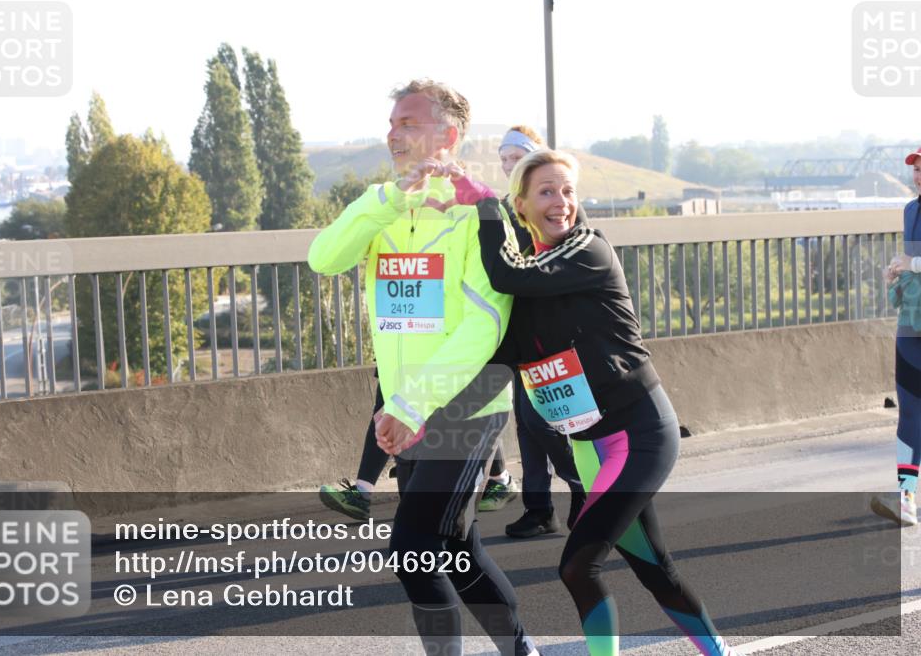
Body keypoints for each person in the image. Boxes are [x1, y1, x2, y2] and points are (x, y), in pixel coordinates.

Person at [472, 149, 738, 654]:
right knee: (655, 570)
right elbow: (498, 351)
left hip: (641, 432)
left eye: (568, 190)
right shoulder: (527, 290)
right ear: (523, 205)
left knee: (578, 565)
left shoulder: (589, 248)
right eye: (547, 191)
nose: (561, 202)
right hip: (590, 447)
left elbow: (509, 274)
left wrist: (486, 208)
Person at [308, 79, 538, 656]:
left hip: (466, 402)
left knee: (412, 548)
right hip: (408, 404)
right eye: (392, 123)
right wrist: (387, 201)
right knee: (456, 553)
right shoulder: (383, 207)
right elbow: (324, 257)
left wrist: (410, 404)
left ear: (449, 135)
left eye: (408, 123)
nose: (393, 133)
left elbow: (482, 326)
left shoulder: (481, 211)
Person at [497, 126, 587, 538]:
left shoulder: (565, 212)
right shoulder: (504, 209)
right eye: (504, 157)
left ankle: (586, 490)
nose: (509, 163)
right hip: (520, 335)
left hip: (557, 339)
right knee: (528, 424)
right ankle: (540, 507)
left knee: (548, 423)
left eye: (518, 156)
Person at [318, 378, 517, 521]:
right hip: (401, 342)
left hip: (434, 349)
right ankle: (363, 492)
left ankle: (501, 480)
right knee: (387, 408)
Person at [871, 146, 921, 527]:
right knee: (909, 415)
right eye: (915, 169)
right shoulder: (910, 211)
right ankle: (906, 498)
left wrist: (914, 263)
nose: (917, 175)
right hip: (911, 327)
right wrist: (897, 273)